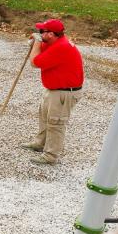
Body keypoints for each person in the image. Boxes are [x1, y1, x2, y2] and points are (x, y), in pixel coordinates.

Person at [20, 19, 85, 165]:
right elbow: (40, 50)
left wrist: (36, 43)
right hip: (54, 90)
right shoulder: (54, 42)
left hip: (64, 93)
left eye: (42, 31)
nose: (39, 33)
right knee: (44, 117)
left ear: (51, 34)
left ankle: (50, 156)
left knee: (55, 124)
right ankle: (40, 143)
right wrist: (36, 43)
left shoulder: (61, 47)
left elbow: (35, 62)